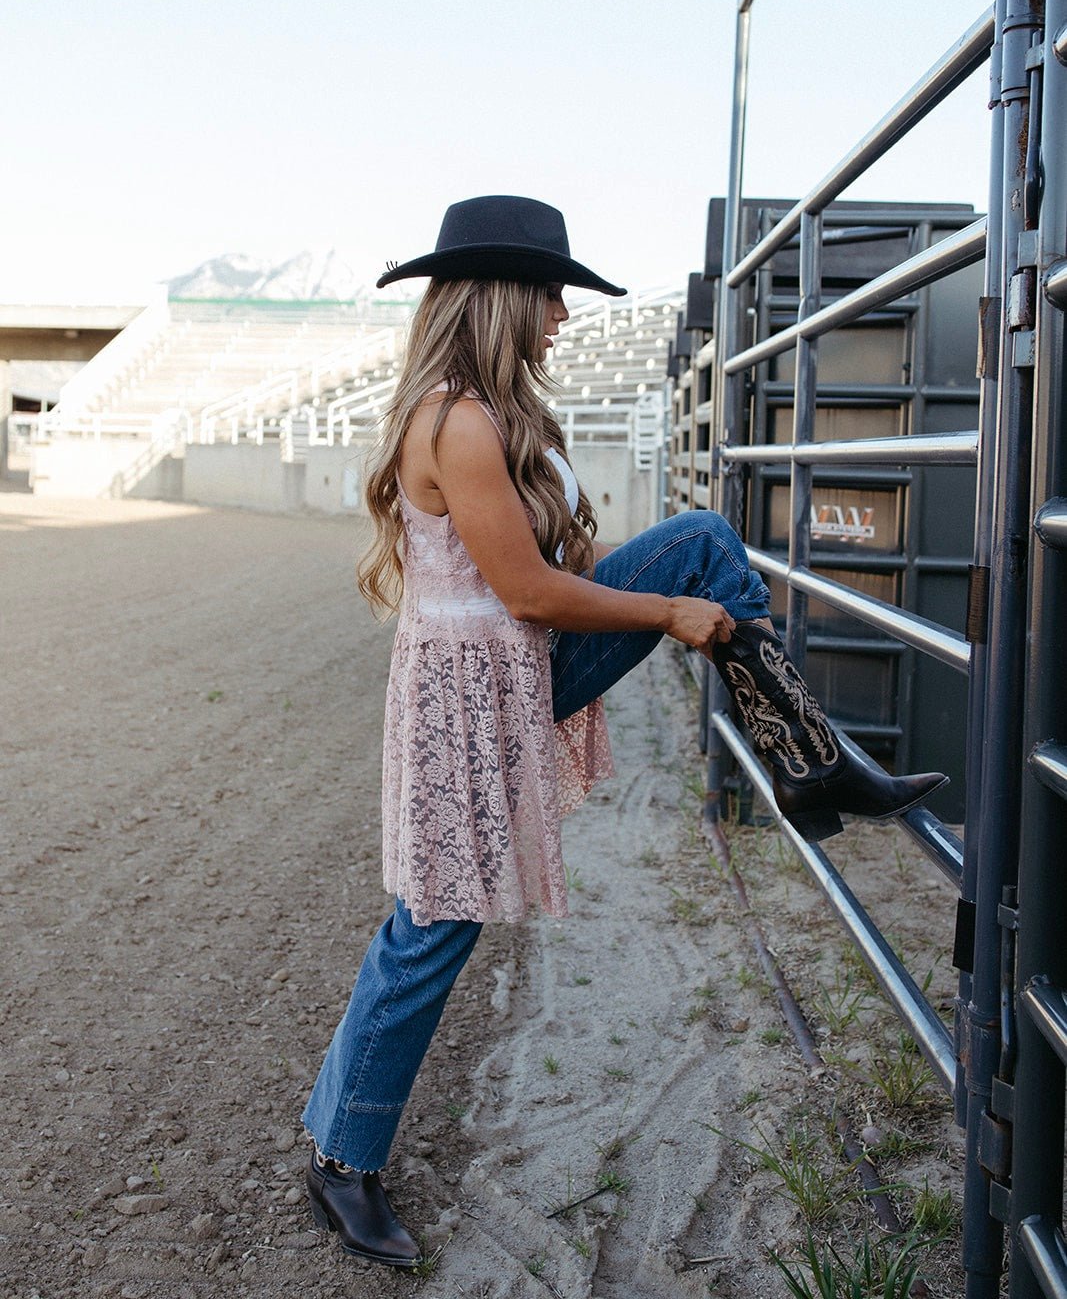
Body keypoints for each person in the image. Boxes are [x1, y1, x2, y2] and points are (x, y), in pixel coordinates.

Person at [301, 195, 945, 1267]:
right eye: (550, 291)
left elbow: (539, 586)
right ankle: (340, 1156)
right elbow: (529, 591)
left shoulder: (485, 414)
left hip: (504, 673)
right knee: (431, 926)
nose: (561, 313)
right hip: (474, 695)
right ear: (505, 296)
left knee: (698, 539)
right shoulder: (459, 422)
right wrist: (664, 614)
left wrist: (675, 597)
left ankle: (810, 760)